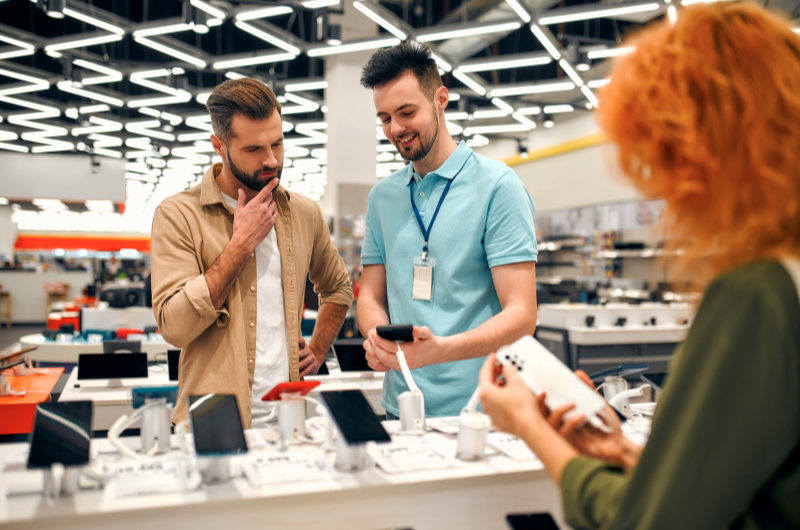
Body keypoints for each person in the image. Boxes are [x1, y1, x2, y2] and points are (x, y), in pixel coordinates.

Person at [479, 4, 800, 528]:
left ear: (707, 153)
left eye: (665, 158)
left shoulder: (758, 294)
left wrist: (529, 426)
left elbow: (646, 524)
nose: (659, 188)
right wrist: (635, 458)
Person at [151, 78, 353, 429]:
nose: (271, 159)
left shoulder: (304, 214)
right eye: (254, 149)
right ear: (219, 145)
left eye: (277, 143)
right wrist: (240, 245)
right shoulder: (178, 215)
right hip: (212, 417)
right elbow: (175, 326)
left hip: (291, 416)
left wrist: (319, 349)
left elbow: (338, 288)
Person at [357, 41, 539, 419]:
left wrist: (441, 349)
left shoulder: (497, 186)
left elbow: (522, 314)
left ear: (441, 99)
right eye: (385, 118)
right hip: (401, 407)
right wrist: (378, 337)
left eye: (407, 112)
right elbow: (371, 295)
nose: (396, 129)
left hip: (482, 409)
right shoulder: (382, 198)